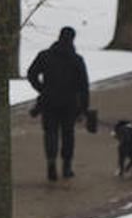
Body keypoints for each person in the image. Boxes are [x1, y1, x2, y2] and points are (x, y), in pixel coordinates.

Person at [27, 26, 90, 182]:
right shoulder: (76, 60)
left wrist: (42, 89)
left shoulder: (45, 56)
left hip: (49, 101)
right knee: (68, 134)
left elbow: (32, 73)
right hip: (70, 103)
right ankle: (67, 167)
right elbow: (83, 86)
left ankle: (51, 164)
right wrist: (84, 108)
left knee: (50, 133)